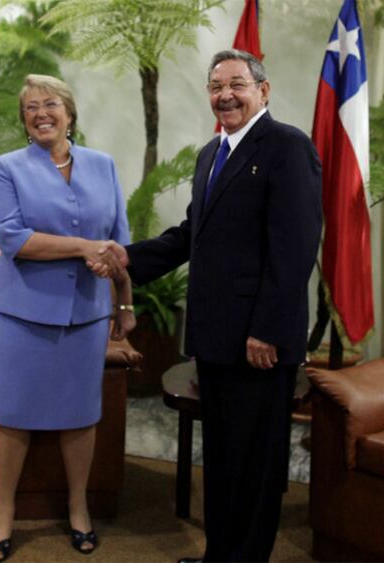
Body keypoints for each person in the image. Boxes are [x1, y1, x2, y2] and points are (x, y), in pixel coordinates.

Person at [90, 49, 322, 562]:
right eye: (216, 86)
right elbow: (190, 235)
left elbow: (295, 250)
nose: (225, 95)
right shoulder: (211, 154)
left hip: (257, 342)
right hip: (214, 339)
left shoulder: (287, 147)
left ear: (263, 90)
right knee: (221, 458)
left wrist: (267, 329)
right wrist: (127, 258)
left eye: (236, 84)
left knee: (255, 467)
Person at [0, 74, 135, 562]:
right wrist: (86, 247)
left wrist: (125, 301)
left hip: (87, 315)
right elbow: (13, 239)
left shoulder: (103, 165)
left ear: (69, 113)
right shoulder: (7, 167)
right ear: (24, 121)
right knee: (12, 414)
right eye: (31, 108)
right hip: (22, 313)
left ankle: (78, 508)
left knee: (80, 414)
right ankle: (3, 511)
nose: (41, 113)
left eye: (50, 104)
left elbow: (119, 243)